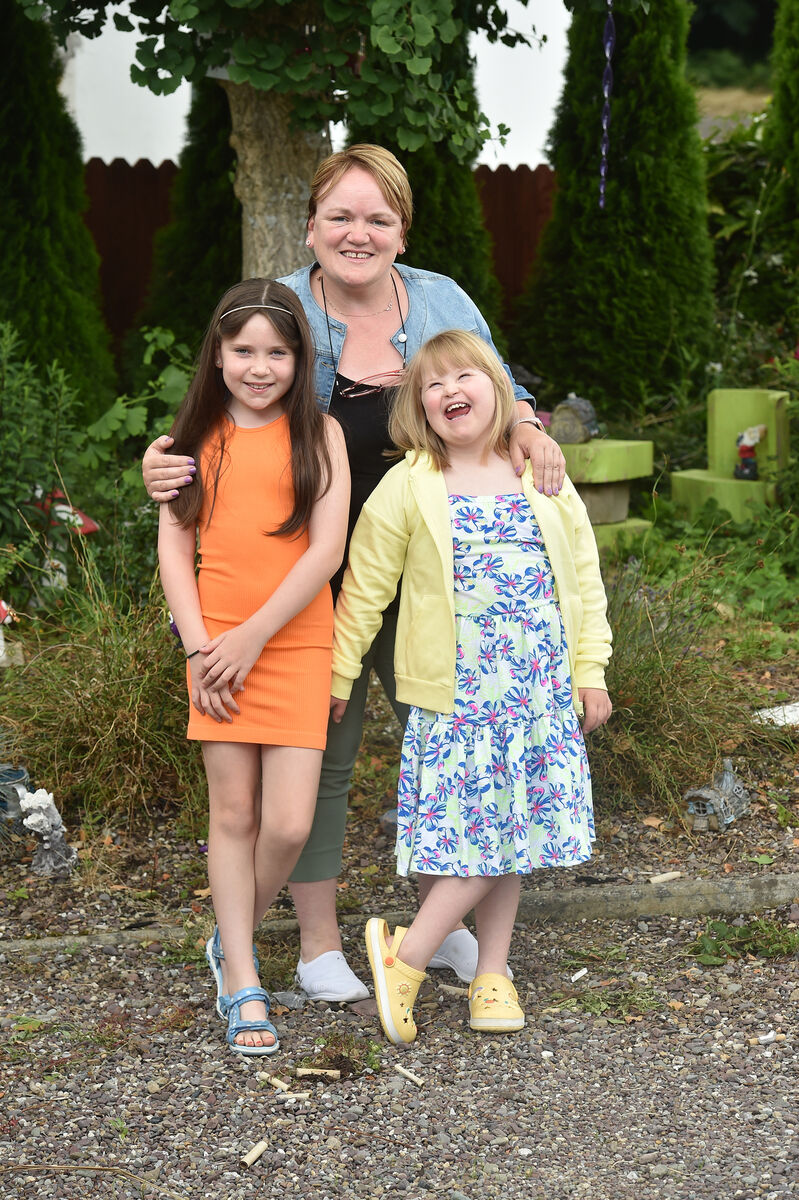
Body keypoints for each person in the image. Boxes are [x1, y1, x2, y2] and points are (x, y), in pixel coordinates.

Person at [143, 145, 567, 1002]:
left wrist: (525, 425)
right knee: (325, 761)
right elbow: (225, 415)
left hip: (435, 567)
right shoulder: (284, 308)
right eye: (339, 216)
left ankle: (444, 931)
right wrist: (163, 466)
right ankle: (316, 946)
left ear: (402, 231)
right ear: (310, 227)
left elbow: (493, 386)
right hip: (312, 577)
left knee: (450, 744)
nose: (357, 233)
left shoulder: (441, 300)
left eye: (378, 218)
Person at [329, 330, 612, 1044]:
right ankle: (408, 958)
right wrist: (339, 671)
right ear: (419, 408)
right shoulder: (410, 484)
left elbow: (583, 580)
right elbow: (365, 588)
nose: (451, 390)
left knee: (513, 834)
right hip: (459, 700)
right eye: (433, 384)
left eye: (466, 376)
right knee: (479, 835)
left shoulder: (538, 474)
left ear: (500, 391)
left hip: (538, 693)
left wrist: (590, 671)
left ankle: (491, 973)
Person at [157, 278, 349, 1055]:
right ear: (218, 354)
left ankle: (228, 932)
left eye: (277, 352)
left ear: (301, 361)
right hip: (214, 652)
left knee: (290, 823)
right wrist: (201, 647)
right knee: (233, 816)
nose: (259, 367)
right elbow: (175, 549)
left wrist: (255, 637)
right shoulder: (193, 440)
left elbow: (325, 551)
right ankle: (242, 977)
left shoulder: (322, 435)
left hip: (293, 643)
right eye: (243, 351)